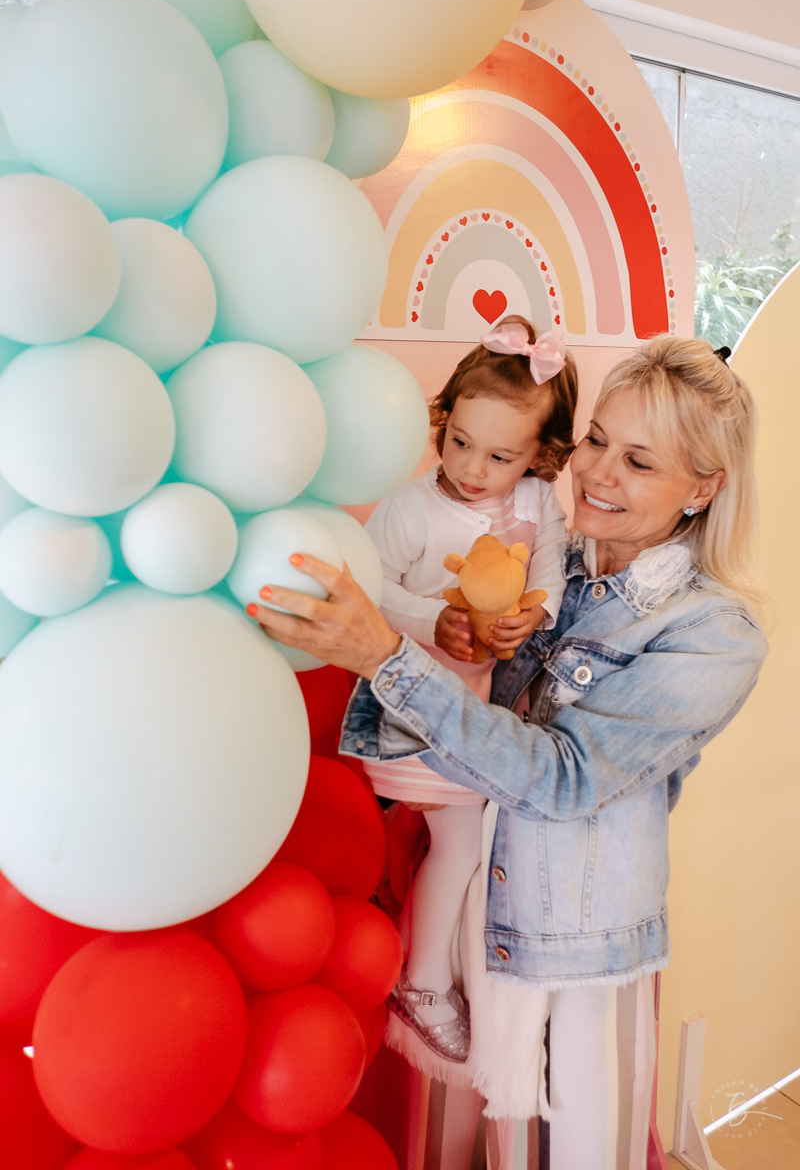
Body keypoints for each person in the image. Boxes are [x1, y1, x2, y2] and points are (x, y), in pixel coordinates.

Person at [247, 335, 768, 1168]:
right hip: (473, 927)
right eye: (597, 440)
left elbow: (561, 777)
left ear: (702, 489)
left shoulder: (713, 636)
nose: (598, 474)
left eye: (639, 461)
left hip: (580, 956)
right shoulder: (543, 565)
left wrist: (386, 653)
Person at [362, 315, 578, 1067]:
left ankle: (418, 949)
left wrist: (535, 611)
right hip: (406, 710)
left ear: (542, 458)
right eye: (459, 442)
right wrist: (435, 617)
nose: (474, 469)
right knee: (459, 842)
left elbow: (549, 564)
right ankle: (421, 985)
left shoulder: (539, 505)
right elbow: (373, 589)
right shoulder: (412, 508)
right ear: (442, 420)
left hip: (474, 711)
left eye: (500, 456)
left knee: (461, 838)